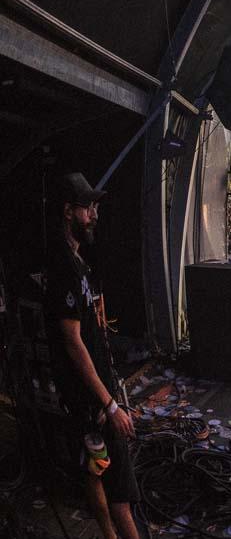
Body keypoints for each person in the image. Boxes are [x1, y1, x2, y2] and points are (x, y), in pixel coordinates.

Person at [43, 173, 139, 539]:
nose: (94, 214)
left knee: (94, 468)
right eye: (87, 208)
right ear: (69, 212)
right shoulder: (64, 266)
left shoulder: (75, 260)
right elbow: (71, 342)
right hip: (92, 402)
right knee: (120, 490)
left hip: (88, 398)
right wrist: (110, 405)